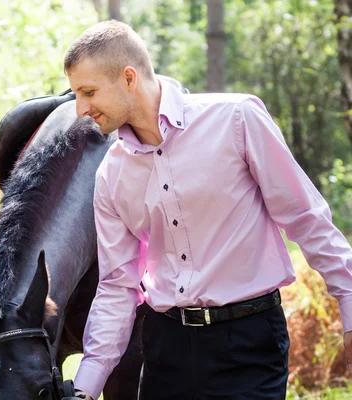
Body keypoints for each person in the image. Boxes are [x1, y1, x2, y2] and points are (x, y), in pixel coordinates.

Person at [64, 20, 352, 400]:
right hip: (165, 348)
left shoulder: (237, 119)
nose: (81, 109)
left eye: (88, 92)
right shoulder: (110, 174)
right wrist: (86, 386)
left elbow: (305, 217)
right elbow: (118, 285)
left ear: (128, 78)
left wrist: (348, 301)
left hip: (249, 344)